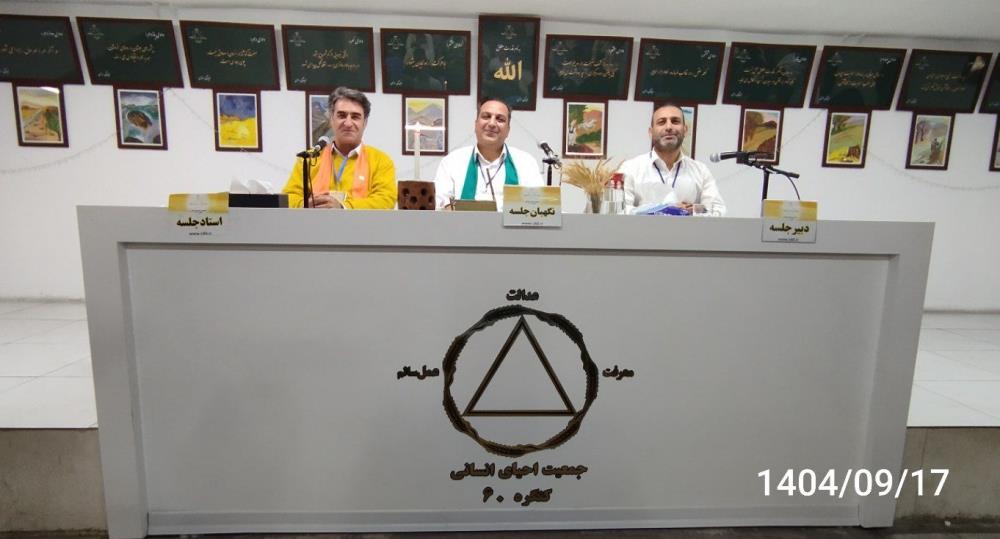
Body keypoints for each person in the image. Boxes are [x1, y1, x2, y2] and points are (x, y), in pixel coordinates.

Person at [283, 87, 396, 209]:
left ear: (365, 123)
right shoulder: (309, 158)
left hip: (361, 222)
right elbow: (288, 197)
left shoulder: (381, 161)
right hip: (315, 221)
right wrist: (305, 205)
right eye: (342, 116)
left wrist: (343, 207)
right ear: (331, 120)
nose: (348, 123)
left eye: (355, 117)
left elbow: (385, 201)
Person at [617, 103, 726, 216]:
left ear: (685, 130)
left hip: (688, 228)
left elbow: (718, 210)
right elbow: (620, 210)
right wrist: (663, 210)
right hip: (643, 228)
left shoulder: (701, 171)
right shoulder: (630, 169)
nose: (669, 127)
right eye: (661, 122)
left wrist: (693, 210)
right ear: (651, 132)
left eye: (675, 121)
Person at [434, 97, 543, 210]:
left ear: (508, 130)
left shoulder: (526, 163)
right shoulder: (452, 162)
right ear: (476, 124)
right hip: (462, 222)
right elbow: (438, 205)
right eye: (486, 116)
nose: (492, 123)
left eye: (500, 119)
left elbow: (537, 207)